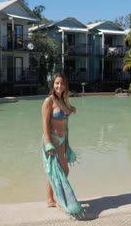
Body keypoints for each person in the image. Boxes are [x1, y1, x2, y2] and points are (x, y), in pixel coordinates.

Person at [41, 73, 83, 217]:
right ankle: (55, 198)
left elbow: (64, 113)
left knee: (55, 171)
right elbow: (45, 123)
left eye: (62, 83)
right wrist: (47, 143)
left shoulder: (62, 101)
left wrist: (72, 109)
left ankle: (50, 199)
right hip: (52, 141)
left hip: (62, 140)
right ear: (53, 84)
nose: (60, 86)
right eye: (57, 83)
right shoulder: (49, 101)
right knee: (63, 170)